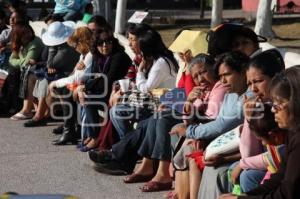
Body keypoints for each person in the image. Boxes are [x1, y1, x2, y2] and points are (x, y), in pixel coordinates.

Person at [218, 65, 300, 199]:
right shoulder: (293, 133)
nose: (273, 110)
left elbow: (287, 193)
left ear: (295, 103)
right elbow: (279, 177)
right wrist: (243, 196)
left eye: (278, 104)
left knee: (247, 176)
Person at [229, 49, 285, 193]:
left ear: (276, 78)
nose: (253, 89)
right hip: (273, 164)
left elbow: (279, 153)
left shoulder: (284, 110)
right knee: (233, 170)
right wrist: (249, 119)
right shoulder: (264, 107)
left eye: (259, 81)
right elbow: (249, 155)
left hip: (283, 166)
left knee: (248, 175)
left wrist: (242, 163)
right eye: (249, 84)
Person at [109, 28, 179, 139]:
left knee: (117, 111)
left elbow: (145, 88)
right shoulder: (157, 60)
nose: (131, 44)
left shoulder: (161, 62)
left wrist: (140, 71)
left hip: (158, 106)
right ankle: (128, 144)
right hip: (152, 103)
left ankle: (128, 144)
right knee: (116, 109)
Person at [76, 28, 132, 151]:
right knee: (81, 96)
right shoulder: (98, 57)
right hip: (104, 90)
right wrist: (82, 87)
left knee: (90, 101)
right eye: (101, 43)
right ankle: (89, 134)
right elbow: (94, 77)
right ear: (95, 46)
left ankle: (95, 137)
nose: (105, 46)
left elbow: (107, 79)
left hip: (117, 92)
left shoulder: (118, 56)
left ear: (113, 42)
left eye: (108, 42)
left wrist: (86, 86)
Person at [9, 22, 44, 120]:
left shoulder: (35, 42)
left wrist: (21, 62)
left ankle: (26, 110)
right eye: (24, 34)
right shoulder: (19, 44)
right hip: (27, 69)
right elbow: (11, 60)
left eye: (29, 32)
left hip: (39, 70)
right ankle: (13, 106)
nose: (28, 35)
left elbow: (27, 64)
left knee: (27, 74)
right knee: (12, 73)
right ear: (18, 36)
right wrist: (22, 61)